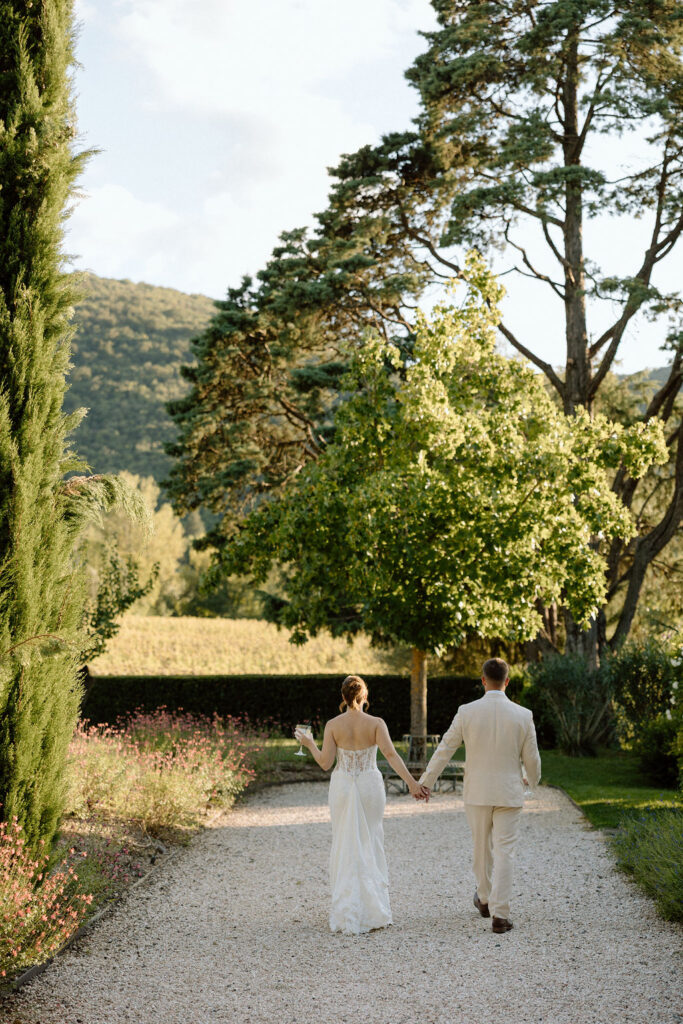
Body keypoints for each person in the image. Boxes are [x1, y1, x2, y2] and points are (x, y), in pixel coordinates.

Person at [294, 675, 429, 935]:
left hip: (343, 785)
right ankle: (374, 910)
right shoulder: (376, 723)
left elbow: (325, 763)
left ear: (343, 697)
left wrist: (309, 743)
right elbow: (390, 755)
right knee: (371, 840)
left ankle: (347, 911)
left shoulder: (333, 725)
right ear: (364, 696)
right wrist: (412, 783)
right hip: (369, 784)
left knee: (345, 842)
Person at [418, 657, 541, 934]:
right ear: (507, 682)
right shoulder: (523, 715)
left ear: (483, 680)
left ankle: (484, 900)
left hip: (477, 792)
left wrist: (427, 781)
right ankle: (501, 915)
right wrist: (532, 782)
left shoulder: (466, 711)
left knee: (480, 848)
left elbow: (445, 748)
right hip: (510, 792)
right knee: (505, 852)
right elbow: (532, 759)